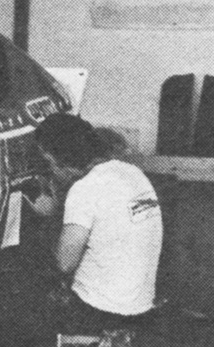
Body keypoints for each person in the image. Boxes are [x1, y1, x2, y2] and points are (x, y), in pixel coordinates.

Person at [31, 112, 162, 333]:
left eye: (49, 163)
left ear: (61, 160)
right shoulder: (133, 172)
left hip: (101, 310)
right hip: (140, 305)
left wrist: (49, 216)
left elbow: (64, 263)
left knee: (32, 294)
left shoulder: (85, 188)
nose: (51, 171)